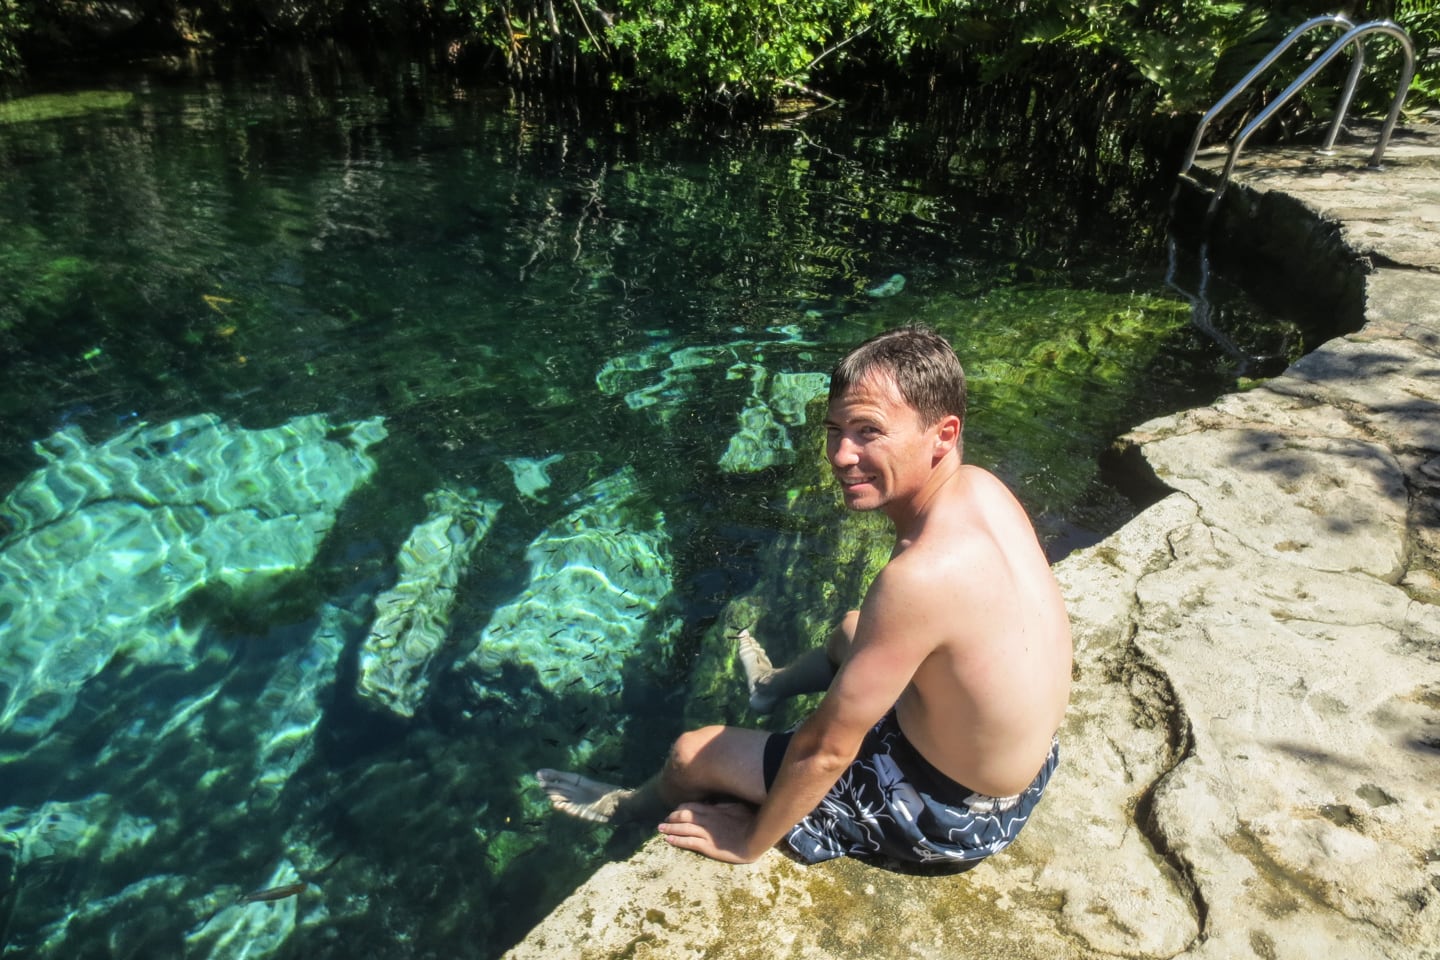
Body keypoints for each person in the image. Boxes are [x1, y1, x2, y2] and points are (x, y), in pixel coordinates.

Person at [537, 326, 1071, 867]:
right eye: (834, 429)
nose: (841, 454)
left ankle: (623, 807)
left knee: (691, 754)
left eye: (868, 431)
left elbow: (826, 751)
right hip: (1021, 774)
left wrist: (748, 841)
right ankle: (769, 687)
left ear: (942, 434)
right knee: (852, 629)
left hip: (948, 814)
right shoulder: (984, 488)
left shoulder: (920, 577)